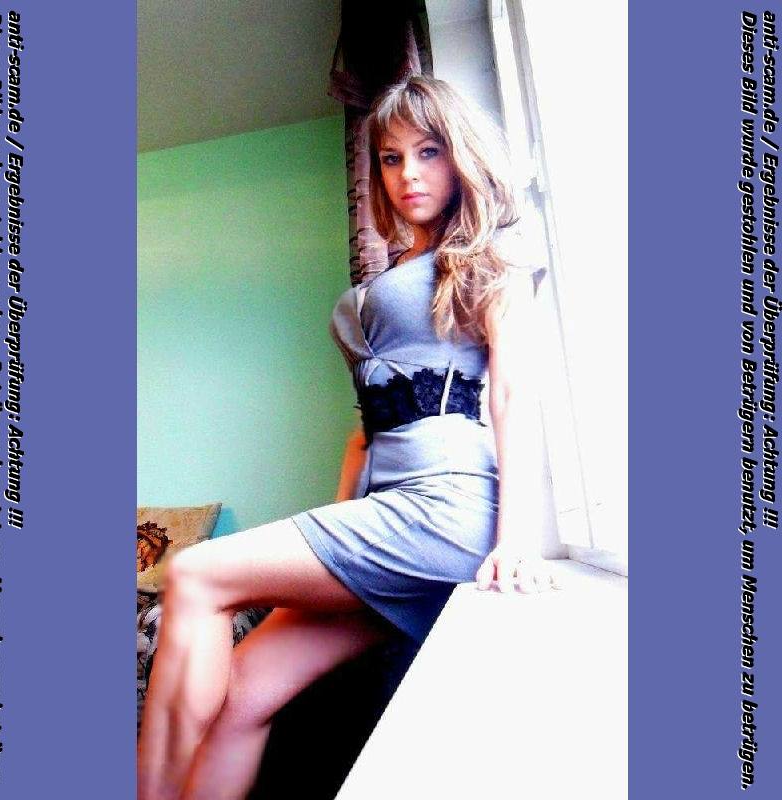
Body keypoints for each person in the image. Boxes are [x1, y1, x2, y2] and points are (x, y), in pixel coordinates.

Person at [137, 74, 558, 800]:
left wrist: (515, 539)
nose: (409, 174)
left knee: (193, 573)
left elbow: (513, 395)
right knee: (245, 694)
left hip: (444, 509)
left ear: (460, 156)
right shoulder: (394, 274)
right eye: (391, 159)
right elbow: (365, 432)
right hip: (384, 511)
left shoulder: (487, 260)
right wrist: (333, 525)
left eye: (428, 152)